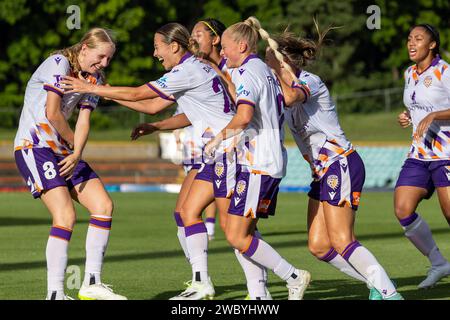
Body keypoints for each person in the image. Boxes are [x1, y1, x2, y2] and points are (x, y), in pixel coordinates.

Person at [61, 22, 236, 300]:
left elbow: (140, 93)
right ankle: (201, 281)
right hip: (219, 151)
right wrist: (154, 125)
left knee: (237, 230)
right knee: (185, 213)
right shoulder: (197, 68)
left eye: (157, 47)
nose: (155, 54)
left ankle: (275, 281)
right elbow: (152, 106)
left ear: (174, 46)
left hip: (231, 150)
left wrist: (92, 88)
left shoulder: (186, 70)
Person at [264, 22, 404, 300]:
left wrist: (278, 70)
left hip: (341, 163)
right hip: (323, 172)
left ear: (282, 64)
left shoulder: (309, 82)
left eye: (268, 63)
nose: (265, 69)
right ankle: (376, 282)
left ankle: (389, 293)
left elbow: (292, 96)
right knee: (319, 246)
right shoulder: (282, 92)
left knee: (342, 240)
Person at [14, 28, 126, 300]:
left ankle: (91, 283)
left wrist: (76, 151)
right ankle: (54, 294)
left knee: (103, 206)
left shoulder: (93, 77)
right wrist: (75, 148)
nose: (104, 64)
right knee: (65, 216)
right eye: (101, 57)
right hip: (36, 148)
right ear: (85, 47)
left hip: (64, 151)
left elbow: (84, 119)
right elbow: (52, 113)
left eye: (109, 59)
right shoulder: (58, 63)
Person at [204, 17, 311, 300]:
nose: (223, 53)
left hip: (258, 164)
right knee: (245, 232)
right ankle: (259, 294)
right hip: (267, 161)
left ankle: (293, 275)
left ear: (241, 45)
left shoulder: (245, 74)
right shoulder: (261, 68)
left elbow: (245, 115)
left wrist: (218, 139)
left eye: (226, 48)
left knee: (236, 235)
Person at [395, 23, 450, 289]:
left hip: (446, 154)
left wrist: (434, 115)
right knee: (402, 208)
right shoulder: (408, 73)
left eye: (418, 38)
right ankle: (439, 263)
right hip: (418, 154)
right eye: (409, 38)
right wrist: (408, 116)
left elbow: (437, 109)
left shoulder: (445, 71)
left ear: (432, 45)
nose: (411, 43)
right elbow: (416, 106)